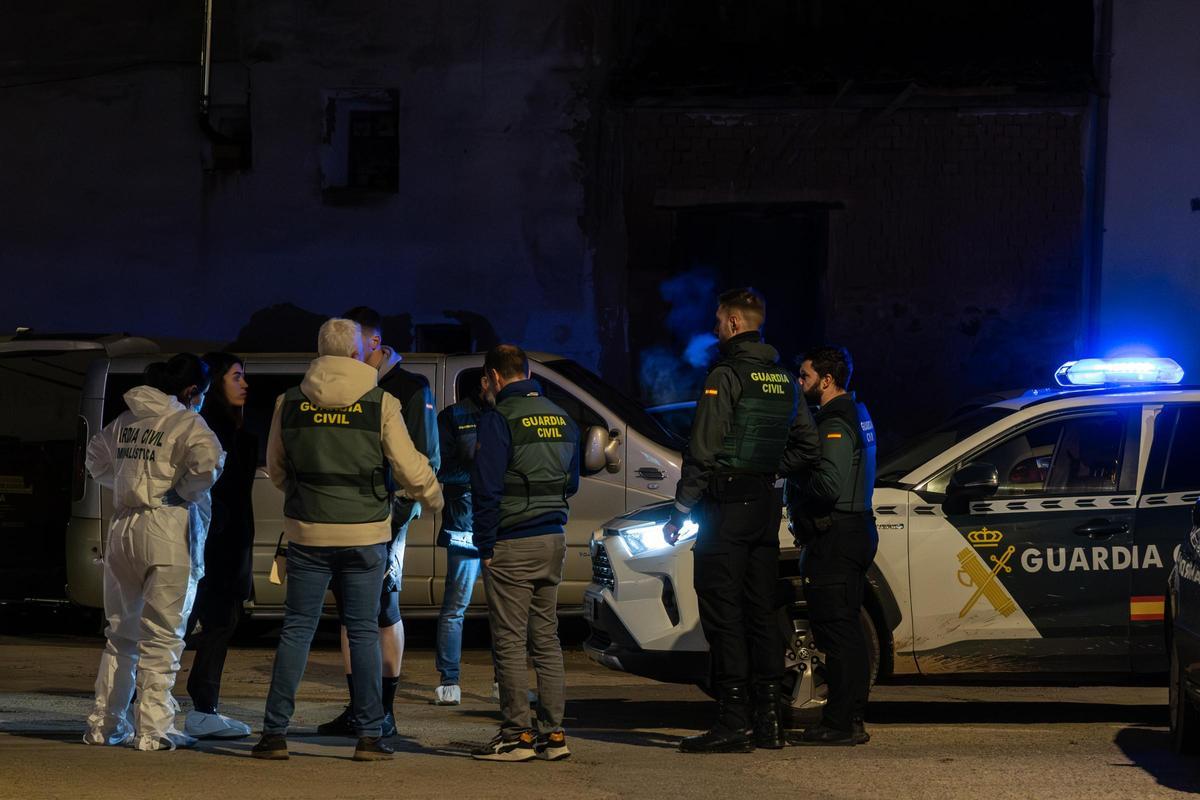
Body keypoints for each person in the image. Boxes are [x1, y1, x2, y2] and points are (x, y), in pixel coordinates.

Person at [251, 318, 443, 762]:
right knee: (362, 631)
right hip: (366, 535)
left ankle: (273, 735)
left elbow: (276, 469)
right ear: (357, 355)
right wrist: (432, 498)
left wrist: (309, 499)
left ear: (319, 353)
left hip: (307, 532)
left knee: (297, 630)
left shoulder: (289, 403)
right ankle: (370, 738)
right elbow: (411, 469)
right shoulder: (382, 403)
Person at [664, 287, 820, 754]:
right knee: (760, 612)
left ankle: (733, 722)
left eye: (718, 320)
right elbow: (808, 447)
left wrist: (681, 508)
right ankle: (769, 723)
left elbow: (704, 449)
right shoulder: (784, 379)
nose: (714, 328)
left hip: (725, 509)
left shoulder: (725, 375)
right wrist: (768, 467)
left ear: (734, 323)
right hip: (764, 508)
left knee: (722, 614)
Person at [83, 354, 224, 752]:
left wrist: (127, 487)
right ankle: (154, 728)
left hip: (123, 527)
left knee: (121, 633)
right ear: (191, 391)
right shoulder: (186, 421)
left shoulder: (127, 421)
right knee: (163, 634)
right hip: (167, 526)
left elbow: (95, 458)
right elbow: (210, 463)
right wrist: (182, 491)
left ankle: (105, 724)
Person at [316, 306, 441, 737]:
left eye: (353, 348)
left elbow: (425, 461)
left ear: (373, 343)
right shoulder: (353, 387)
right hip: (351, 520)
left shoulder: (409, 387)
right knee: (352, 614)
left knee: (384, 610)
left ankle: (383, 711)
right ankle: (358, 708)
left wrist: (393, 524)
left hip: (385, 522)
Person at [470, 345, 580, 762]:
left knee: (511, 642)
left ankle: (516, 736)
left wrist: (485, 544)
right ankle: (553, 736)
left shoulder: (499, 419)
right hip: (553, 538)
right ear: (527, 371)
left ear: (496, 377)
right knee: (547, 640)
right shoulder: (561, 415)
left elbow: (486, 487)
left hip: (511, 541)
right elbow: (571, 484)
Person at [784, 346, 878, 747]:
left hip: (836, 535)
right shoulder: (858, 412)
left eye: (804, 376)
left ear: (826, 380)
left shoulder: (836, 421)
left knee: (838, 633)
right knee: (847, 630)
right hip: (851, 530)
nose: (799, 382)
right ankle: (849, 717)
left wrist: (796, 471)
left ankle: (841, 722)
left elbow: (829, 485)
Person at [184, 352, 256, 740]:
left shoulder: (237, 429)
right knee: (185, 622)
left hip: (231, 542)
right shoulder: (205, 431)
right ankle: (149, 699)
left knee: (219, 623)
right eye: (236, 376)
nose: (244, 383)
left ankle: (204, 705)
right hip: (209, 542)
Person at [433, 376, 485, 705]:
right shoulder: (452, 417)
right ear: (485, 382)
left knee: (507, 611)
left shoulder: (506, 413)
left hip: (499, 524)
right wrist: (484, 473)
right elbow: (441, 469)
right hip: (465, 526)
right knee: (455, 608)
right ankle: (449, 680)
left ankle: (503, 682)